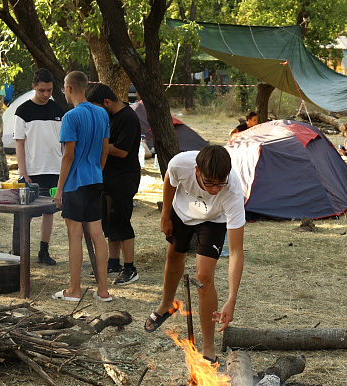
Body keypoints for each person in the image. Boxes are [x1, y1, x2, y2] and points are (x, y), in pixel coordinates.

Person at [143, 145, 245, 364]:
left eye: (221, 183)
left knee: (204, 278)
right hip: (182, 212)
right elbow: (170, 178)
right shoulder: (181, 163)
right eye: (210, 183)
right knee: (174, 255)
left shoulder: (233, 190)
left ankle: (208, 346)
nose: (216, 189)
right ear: (197, 171)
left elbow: (236, 251)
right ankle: (167, 303)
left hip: (213, 220)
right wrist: (165, 214)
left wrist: (232, 299)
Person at [52, 71, 111, 302]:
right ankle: (103, 290)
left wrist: (59, 189)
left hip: (75, 184)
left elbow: (68, 156)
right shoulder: (102, 114)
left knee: (74, 235)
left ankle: (74, 290)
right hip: (95, 179)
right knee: (98, 234)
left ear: (68, 88)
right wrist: (96, 172)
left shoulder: (71, 117)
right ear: (85, 87)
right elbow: (105, 152)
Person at [87, 83, 142, 285]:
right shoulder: (107, 115)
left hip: (125, 178)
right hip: (108, 178)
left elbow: (121, 150)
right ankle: (113, 262)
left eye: (97, 108)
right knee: (108, 221)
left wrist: (97, 144)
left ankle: (130, 268)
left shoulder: (128, 118)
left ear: (107, 102)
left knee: (121, 221)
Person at [14, 68, 65, 265]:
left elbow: (63, 142)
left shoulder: (58, 110)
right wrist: (23, 171)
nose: (46, 94)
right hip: (32, 170)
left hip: (55, 169)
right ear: (34, 87)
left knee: (49, 212)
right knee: (25, 214)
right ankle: (19, 251)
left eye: (49, 90)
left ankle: (44, 251)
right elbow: (19, 142)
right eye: (42, 90)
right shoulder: (23, 111)